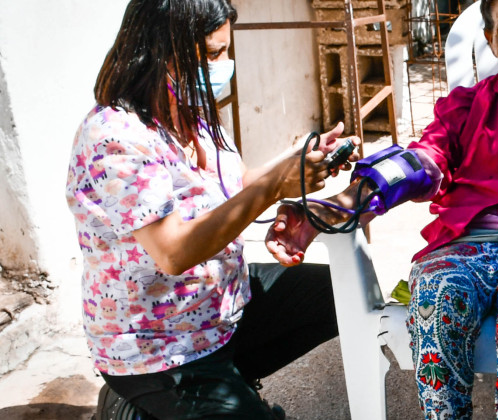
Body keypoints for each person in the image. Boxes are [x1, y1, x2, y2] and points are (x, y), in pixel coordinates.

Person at [265, 0, 498, 418]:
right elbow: (423, 158)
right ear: (488, 40)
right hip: (468, 250)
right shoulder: (465, 108)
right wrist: (345, 202)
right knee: (439, 294)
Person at [65, 1, 360, 418]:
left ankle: (217, 390)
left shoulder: (190, 112)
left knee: (343, 293)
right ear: (159, 50)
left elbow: (236, 183)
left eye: (226, 50)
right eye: (212, 54)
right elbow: (174, 252)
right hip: (159, 344)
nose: (225, 64)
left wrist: (295, 161)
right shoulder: (114, 137)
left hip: (221, 304)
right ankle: (138, 402)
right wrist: (277, 185)